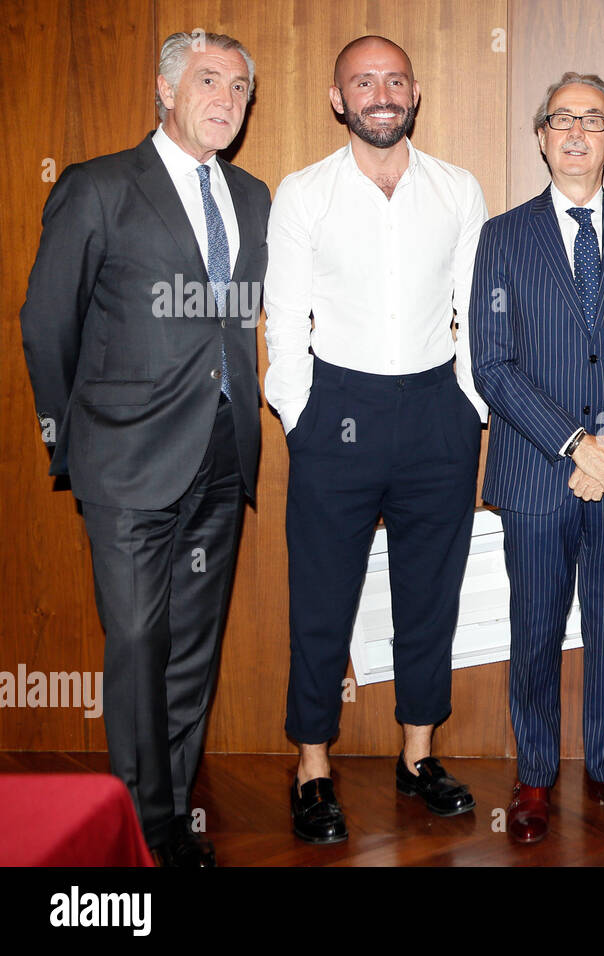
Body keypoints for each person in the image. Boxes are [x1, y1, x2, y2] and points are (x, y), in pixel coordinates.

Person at [19, 30, 268, 866]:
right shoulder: (98, 187)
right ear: (165, 92)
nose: (226, 99)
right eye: (208, 80)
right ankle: (141, 829)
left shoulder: (254, 196)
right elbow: (47, 322)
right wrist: (75, 435)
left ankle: (170, 812)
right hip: (126, 463)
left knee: (193, 649)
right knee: (135, 645)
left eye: (238, 86)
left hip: (222, 455)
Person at [264, 36, 486, 844]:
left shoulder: (458, 189)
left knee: (430, 597)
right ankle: (313, 766)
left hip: (437, 412)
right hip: (338, 411)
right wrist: (300, 413)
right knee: (322, 599)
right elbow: (284, 319)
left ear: (415, 93)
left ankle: (418, 755)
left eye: (394, 80)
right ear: (338, 99)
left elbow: (477, 310)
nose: (380, 93)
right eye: (363, 82)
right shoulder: (304, 194)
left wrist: (468, 406)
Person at [471, 71, 604, 844]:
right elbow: (491, 364)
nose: (575, 132)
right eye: (560, 118)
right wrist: (574, 444)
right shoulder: (502, 236)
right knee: (532, 627)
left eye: (592, 119)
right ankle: (534, 775)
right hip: (537, 470)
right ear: (540, 136)